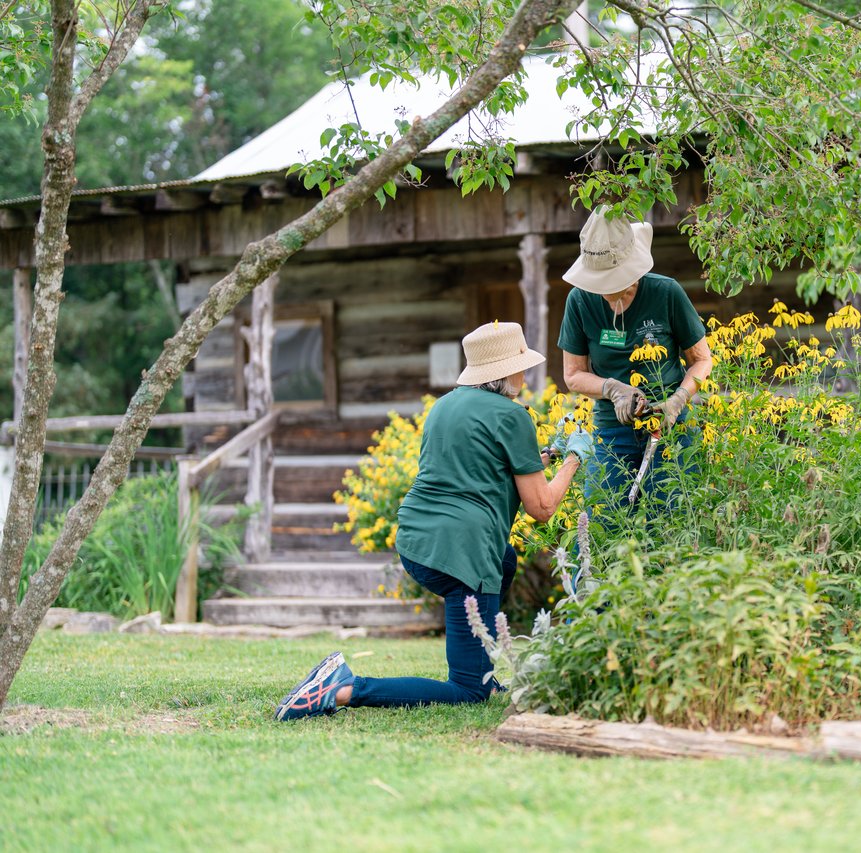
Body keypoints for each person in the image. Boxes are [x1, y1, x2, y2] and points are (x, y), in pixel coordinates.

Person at [274, 321, 592, 721]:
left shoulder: (444, 406)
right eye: (521, 367)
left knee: (505, 560)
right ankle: (341, 689)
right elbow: (542, 507)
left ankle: (486, 666)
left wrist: (538, 461)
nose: (525, 375)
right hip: (462, 554)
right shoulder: (512, 416)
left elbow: (473, 468)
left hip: (418, 542)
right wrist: (575, 458)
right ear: (505, 372)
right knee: (465, 691)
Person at [558, 206, 713, 508]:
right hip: (612, 430)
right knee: (603, 521)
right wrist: (613, 389)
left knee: (672, 520)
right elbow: (573, 374)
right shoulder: (579, 301)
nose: (608, 292)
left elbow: (701, 359)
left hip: (669, 426)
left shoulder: (666, 292)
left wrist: (678, 400)